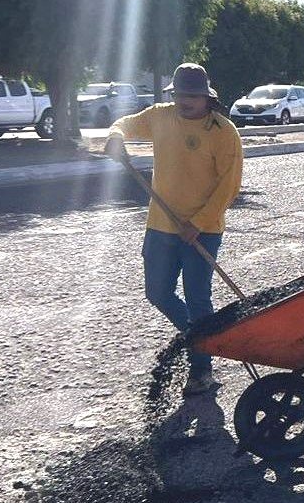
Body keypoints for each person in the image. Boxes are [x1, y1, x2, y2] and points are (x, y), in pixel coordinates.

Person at [105, 63, 243, 396]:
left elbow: (229, 185)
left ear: (206, 97)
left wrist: (199, 222)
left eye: (192, 95)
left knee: (198, 298)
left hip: (203, 230)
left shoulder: (223, 131)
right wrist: (115, 138)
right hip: (161, 226)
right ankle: (197, 336)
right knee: (157, 292)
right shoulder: (160, 116)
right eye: (180, 94)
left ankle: (201, 371)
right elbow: (124, 124)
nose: (185, 101)